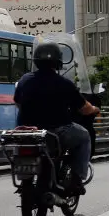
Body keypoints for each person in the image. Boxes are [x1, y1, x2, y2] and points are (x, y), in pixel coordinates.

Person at [14, 42, 100, 195]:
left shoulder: (24, 80)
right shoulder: (64, 84)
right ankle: (76, 180)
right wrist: (95, 109)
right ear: (58, 62)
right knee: (84, 136)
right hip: (57, 131)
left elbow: (17, 102)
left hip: (28, 134)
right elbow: (84, 108)